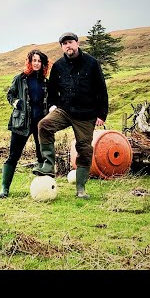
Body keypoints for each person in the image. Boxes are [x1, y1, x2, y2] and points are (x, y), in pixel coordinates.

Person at [37, 32, 108, 199]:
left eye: (70, 42)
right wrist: (52, 105)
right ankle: (48, 166)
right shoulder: (59, 66)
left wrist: (101, 114)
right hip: (65, 110)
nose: (68, 46)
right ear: (62, 47)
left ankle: (80, 189)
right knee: (44, 125)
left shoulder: (91, 63)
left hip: (86, 114)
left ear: (77, 43)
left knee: (84, 149)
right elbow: (52, 89)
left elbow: (101, 90)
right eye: (64, 44)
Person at [0, 49, 50, 198]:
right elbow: (10, 94)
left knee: (42, 156)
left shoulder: (46, 82)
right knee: (14, 155)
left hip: (40, 124)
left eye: (39, 61)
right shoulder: (19, 78)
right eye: (34, 60)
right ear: (29, 62)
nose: (36, 63)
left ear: (43, 64)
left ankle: (43, 190)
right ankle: (4, 188)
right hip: (21, 123)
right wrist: (16, 102)